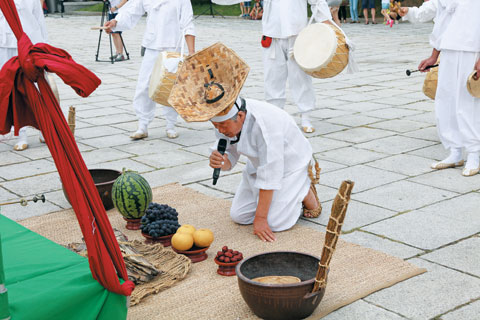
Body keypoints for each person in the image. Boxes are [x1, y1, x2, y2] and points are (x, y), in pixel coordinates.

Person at [167, 43, 322, 242]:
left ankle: (304, 189)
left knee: (276, 222)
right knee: (239, 216)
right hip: (259, 164)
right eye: (216, 126)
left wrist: (261, 218)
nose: (220, 131)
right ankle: (280, 198)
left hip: (290, 165)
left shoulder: (267, 125)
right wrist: (221, 161)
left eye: (222, 127)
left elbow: (271, 173)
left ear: (240, 116)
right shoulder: (224, 122)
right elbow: (230, 157)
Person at [400, 0, 480, 176]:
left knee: (467, 102)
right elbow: (442, 21)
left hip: (472, 49)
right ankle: (455, 151)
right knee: (446, 100)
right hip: (449, 49)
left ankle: (475, 154)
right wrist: (433, 56)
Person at [104, 0, 195, 140]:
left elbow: (188, 24)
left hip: (173, 47)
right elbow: (131, 12)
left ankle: (171, 124)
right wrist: (116, 22)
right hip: (152, 46)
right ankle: (143, 125)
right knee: (144, 86)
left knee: (171, 88)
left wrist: (191, 52)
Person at [261, 0, 332, 133]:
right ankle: (275, 117)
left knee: (300, 77)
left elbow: (317, 1)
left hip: (298, 33)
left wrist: (327, 22)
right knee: (273, 78)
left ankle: (306, 116)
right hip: (272, 32)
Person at [0, 0, 47, 151]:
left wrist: (45, 46)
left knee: (36, 88)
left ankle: (44, 129)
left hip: (28, 44)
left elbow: (39, 18)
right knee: (12, 90)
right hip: (4, 43)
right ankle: (21, 134)